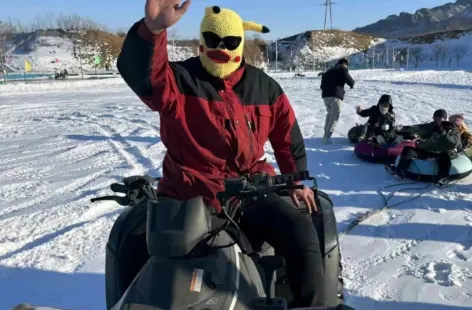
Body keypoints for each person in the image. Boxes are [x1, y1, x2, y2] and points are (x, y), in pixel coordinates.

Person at [116, 1, 325, 307]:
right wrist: (153, 30)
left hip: (249, 190)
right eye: (212, 41)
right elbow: (146, 78)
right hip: (188, 194)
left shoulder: (265, 87)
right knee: (132, 247)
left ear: (241, 42)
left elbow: (287, 136)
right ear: (202, 41)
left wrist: (294, 181)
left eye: (229, 42)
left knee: (301, 233)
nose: (221, 49)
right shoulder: (178, 80)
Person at [388, 109, 462, 185]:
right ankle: (400, 172)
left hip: (442, 152)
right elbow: (418, 128)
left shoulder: (451, 129)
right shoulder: (432, 126)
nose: (437, 121)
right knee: (408, 150)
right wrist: (401, 130)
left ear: (445, 119)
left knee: (445, 158)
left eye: (439, 119)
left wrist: (442, 131)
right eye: (435, 118)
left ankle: (442, 178)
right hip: (429, 151)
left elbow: (452, 143)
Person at [320, 58, 355, 144]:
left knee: (330, 114)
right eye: (347, 66)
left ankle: (325, 134)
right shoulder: (342, 68)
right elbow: (350, 81)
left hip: (325, 96)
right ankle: (327, 138)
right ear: (344, 64)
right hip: (335, 96)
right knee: (335, 116)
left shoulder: (328, 71)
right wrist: (351, 84)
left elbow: (321, 86)